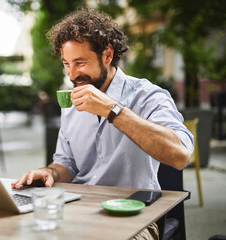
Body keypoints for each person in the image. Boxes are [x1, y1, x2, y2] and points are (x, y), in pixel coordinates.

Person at [11, 8, 194, 239]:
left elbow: (180, 155)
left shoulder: (148, 96)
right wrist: (49, 173)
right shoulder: (71, 102)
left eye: (80, 62)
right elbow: (66, 163)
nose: (72, 74)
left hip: (135, 217)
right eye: (66, 64)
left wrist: (111, 109)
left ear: (107, 55)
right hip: (80, 210)